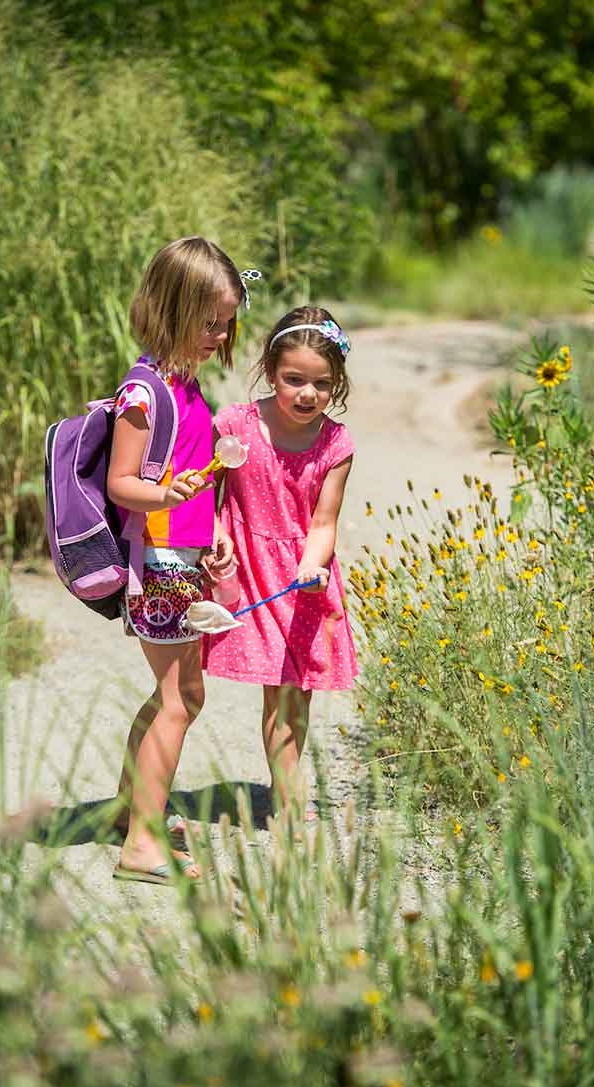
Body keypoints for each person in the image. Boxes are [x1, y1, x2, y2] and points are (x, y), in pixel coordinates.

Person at [107, 236, 247, 884]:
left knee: (182, 692)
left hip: (185, 555)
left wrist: (213, 523)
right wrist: (167, 496)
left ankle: (130, 806)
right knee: (178, 700)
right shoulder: (145, 392)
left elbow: (198, 473)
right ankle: (141, 843)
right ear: (171, 309)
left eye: (227, 324)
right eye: (209, 322)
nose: (220, 335)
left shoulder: (185, 385)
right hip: (159, 560)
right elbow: (123, 482)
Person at [202, 306, 358, 827]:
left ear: (335, 384)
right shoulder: (236, 426)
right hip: (247, 574)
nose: (307, 394)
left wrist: (314, 564)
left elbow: (324, 521)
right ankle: (287, 796)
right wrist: (217, 534)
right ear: (271, 372)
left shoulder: (335, 444)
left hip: (301, 578)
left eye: (321, 383)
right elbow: (205, 493)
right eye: (294, 380)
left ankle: (285, 788)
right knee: (277, 684)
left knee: (296, 692)